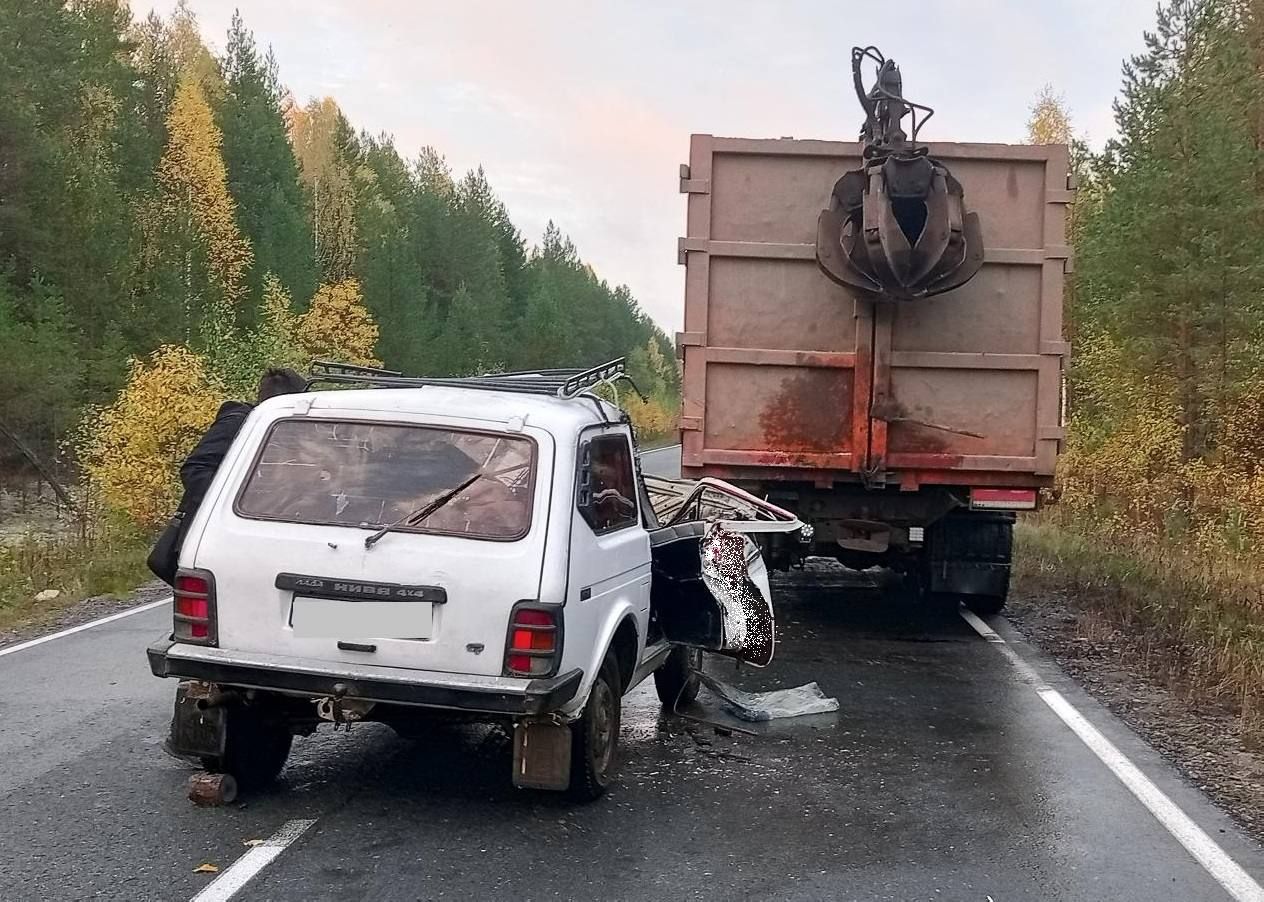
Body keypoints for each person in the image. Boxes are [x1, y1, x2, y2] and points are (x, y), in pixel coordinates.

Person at [148, 367, 308, 584]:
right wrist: (231, 508)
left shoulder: (292, 433)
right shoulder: (238, 423)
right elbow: (195, 469)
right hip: (221, 540)